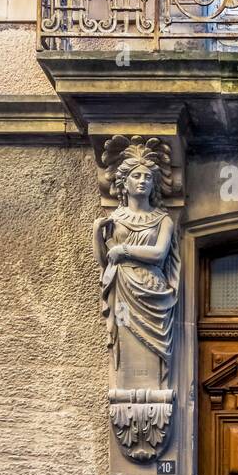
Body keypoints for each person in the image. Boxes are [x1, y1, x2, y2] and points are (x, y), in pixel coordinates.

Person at [93, 140, 179, 383]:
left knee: (154, 347)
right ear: (125, 182)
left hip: (152, 289)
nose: (142, 181)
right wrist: (95, 233)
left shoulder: (163, 219)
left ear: (154, 185)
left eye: (148, 177)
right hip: (122, 289)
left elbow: (159, 254)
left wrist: (125, 250)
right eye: (136, 176)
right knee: (126, 334)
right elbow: (105, 263)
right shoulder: (115, 219)